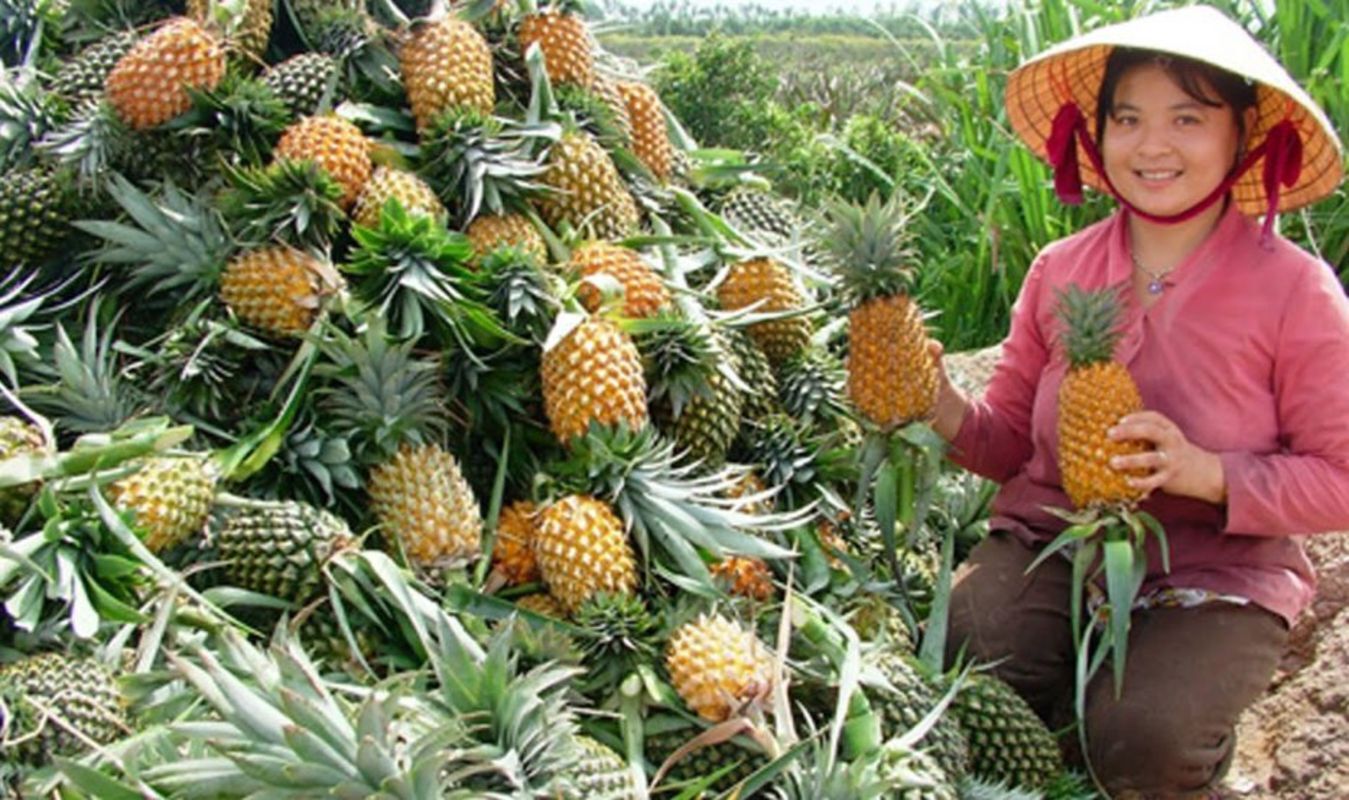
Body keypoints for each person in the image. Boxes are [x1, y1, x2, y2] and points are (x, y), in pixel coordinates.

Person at [925, 6, 1348, 798]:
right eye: (1127, 119)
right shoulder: (1060, 269)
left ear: (1242, 131)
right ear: (1097, 135)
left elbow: (1341, 476)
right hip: (1052, 538)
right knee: (967, 661)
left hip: (1214, 567)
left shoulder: (1295, 291)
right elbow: (1010, 444)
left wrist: (1206, 472)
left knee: (1142, 740)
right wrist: (939, 403)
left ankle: (1181, 748)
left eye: (1186, 118)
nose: (1152, 146)